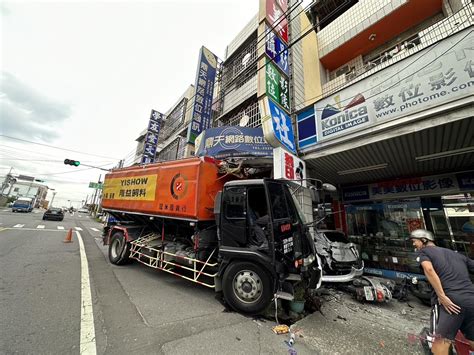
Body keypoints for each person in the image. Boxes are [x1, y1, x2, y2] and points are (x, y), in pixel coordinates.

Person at [410, 229, 474, 355]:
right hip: (471, 299)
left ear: (424, 240)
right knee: (471, 338)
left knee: (440, 343)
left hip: (451, 303)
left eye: (414, 241)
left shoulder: (424, 252)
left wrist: (442, 296)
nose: (413, 245)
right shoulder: (456, 254)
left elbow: (428, 269)